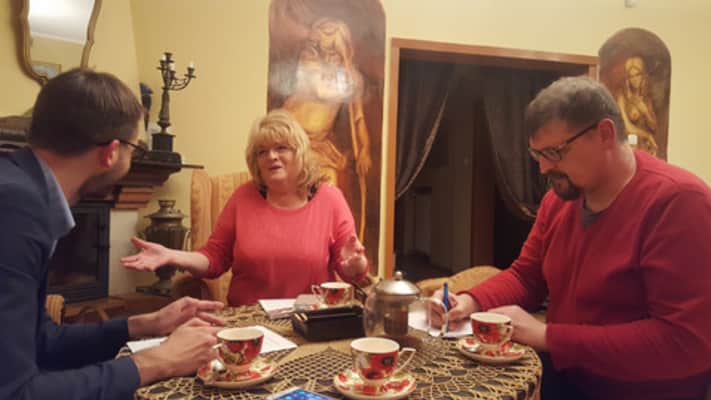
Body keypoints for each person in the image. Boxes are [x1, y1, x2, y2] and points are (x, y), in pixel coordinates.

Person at [430, 76, 711, 399]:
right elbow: (527, 276)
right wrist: (470, 302)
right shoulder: (559, 200)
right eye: (537, 154)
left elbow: (684, 341)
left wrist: (547, 336)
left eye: (555, 152)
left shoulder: (679, 202)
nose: (543, 168)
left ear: (605, 134)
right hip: (569, 377)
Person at [0, 68, 226, 400]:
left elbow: (42, 341)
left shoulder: (20, 186)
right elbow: (16, 393)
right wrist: (157, 362)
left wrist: (144, 324)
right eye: (135, 149)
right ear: (111, 152)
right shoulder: (15, 208)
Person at [122, 109, 368, 306]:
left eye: (281, 148)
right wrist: (173, 255)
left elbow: (350, 270)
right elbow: (215, 258)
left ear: (300, 154)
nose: (271, 156)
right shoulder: (243, 197)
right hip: (249, 324)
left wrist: (355, 266)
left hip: (310, 321)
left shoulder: (330, 199)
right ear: (255, 161)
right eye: (262, 152)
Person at [281, 17, 372, 240]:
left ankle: (326, 245)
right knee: (294, 197)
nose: (326, 57)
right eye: (321, 49)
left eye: (333, 52)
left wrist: (365, 149)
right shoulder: (309, 65)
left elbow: (358, 118)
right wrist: (344, 67)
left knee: (328, 193)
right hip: (292, 139)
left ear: (344, 52)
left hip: (319, 145)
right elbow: (321, 91)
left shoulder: (349, 79)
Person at [617, 56, 659, 155]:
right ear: (628, 79)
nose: (635, 79)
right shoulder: (622, 96)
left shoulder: (646, 98)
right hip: (629, 147)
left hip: (646, 147)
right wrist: (647, 135)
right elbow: (627, 127)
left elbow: (654, 126)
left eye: (637, 75)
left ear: (642, 76)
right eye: (631, 76)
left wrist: (645, 112)